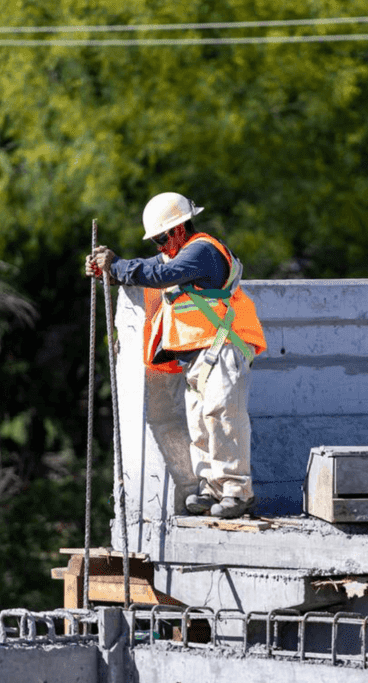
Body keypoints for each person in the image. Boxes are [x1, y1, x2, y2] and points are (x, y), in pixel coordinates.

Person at [86, 192, 267, 519]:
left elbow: (159, 276)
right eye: (155, 240)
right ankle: (212, 487)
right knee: (200, 421)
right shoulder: (179, 253)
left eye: (161, 237)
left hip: (223, 345)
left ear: (179, 229)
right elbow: (145, 267)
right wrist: (110, 270)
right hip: (201, 353)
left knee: (223, 416)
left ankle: (236, 491)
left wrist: (115, 265)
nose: (159, 246)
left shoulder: (202, 250)